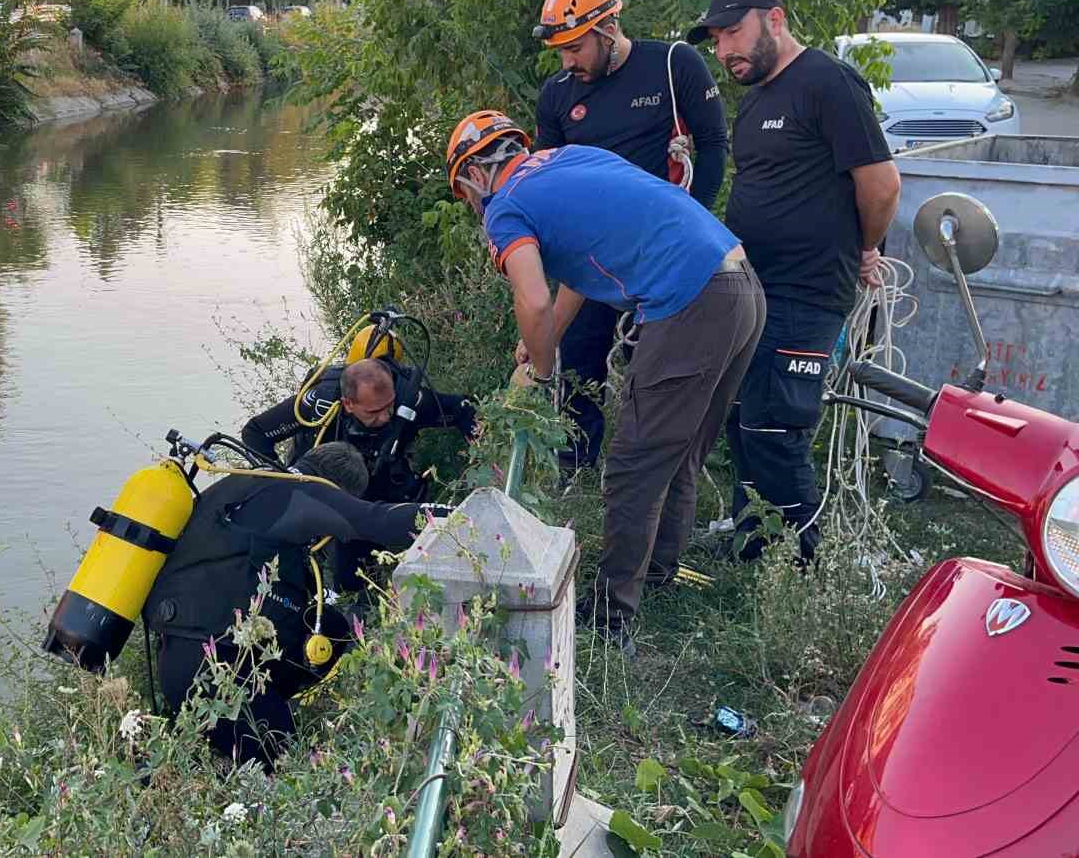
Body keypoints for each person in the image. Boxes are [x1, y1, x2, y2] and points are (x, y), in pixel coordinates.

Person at [445, 110, 765, 655]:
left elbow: (534, 297)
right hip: (740, 287)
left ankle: (611, 612)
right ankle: (658, 573)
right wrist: (544, 340)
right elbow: (573, 278)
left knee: (633, 463)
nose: (472, 204)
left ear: (475, 173)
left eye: (463, 191)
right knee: (680, 450)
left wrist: (541, 377)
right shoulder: (568, 160)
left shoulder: (506, 207)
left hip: (689, 300)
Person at [687, 0, 900, 565]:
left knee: (776, 430)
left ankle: (807, 569)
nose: (724, 49)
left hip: (807, 291)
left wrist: (866, 247)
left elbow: (880, 184)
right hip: (754, 289)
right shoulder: (756, 98)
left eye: (733, 32)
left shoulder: (828, 83)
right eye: (717, 39)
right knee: (741, 418)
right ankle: (751, 548)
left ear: (775, 20)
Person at [530, 0, 729, 472]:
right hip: (591, 262)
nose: (567, 60)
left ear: (606, 27)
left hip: (662, 258)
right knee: (579, 365)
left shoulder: (671, 65)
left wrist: (690, 219)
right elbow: (545, 181)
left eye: (574, 47)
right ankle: (576, 470)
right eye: (560, 51)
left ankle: (651, 469)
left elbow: (713, 147)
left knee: (656, 371)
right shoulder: (558, 93)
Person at [145, 443, 442, 769]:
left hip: (182, 659)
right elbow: (379, 520)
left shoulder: (248, 484)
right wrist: (464, 514)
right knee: (283, 765)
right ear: (336, 486)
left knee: (335, 629)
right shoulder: (303, 492)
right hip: (218, 672)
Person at [241, 357, 476, 503]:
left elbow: (461, 408)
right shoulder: (319, 405)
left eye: (388, 406)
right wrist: (280, 483)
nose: (385, 417)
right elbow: (255, 432)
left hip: (378, 486)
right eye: (374, 412)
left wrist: (479, 441)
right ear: (348, 404)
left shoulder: (407, 401)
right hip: (324, 489)